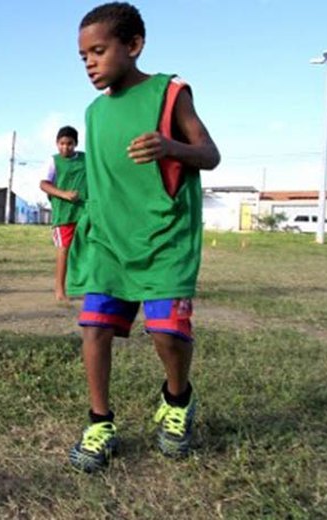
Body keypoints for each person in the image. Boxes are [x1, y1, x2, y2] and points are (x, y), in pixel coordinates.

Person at [66, 2, 220, 472]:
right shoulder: (93, 112)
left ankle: (177, 401)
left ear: (132, 46)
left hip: (163, 238)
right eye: (83, 56)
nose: (90, 62)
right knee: (93, 327)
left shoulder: (169, 93)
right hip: (109, 240)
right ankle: (100, 421)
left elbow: (209, 154)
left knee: (167, 334)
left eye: (98, 50)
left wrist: (170, 146)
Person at [39, 126, 86, 302]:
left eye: (70, 144)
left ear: (76, 144)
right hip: (64, 214)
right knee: (64, 250)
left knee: (87, 249)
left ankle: (86, 286)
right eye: (62, 144)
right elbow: (44, 184)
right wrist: (64, 194)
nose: (65, 147)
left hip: (85, 213)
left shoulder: (86, 159)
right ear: (57, 144)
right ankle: (60, 289)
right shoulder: (53, 161)